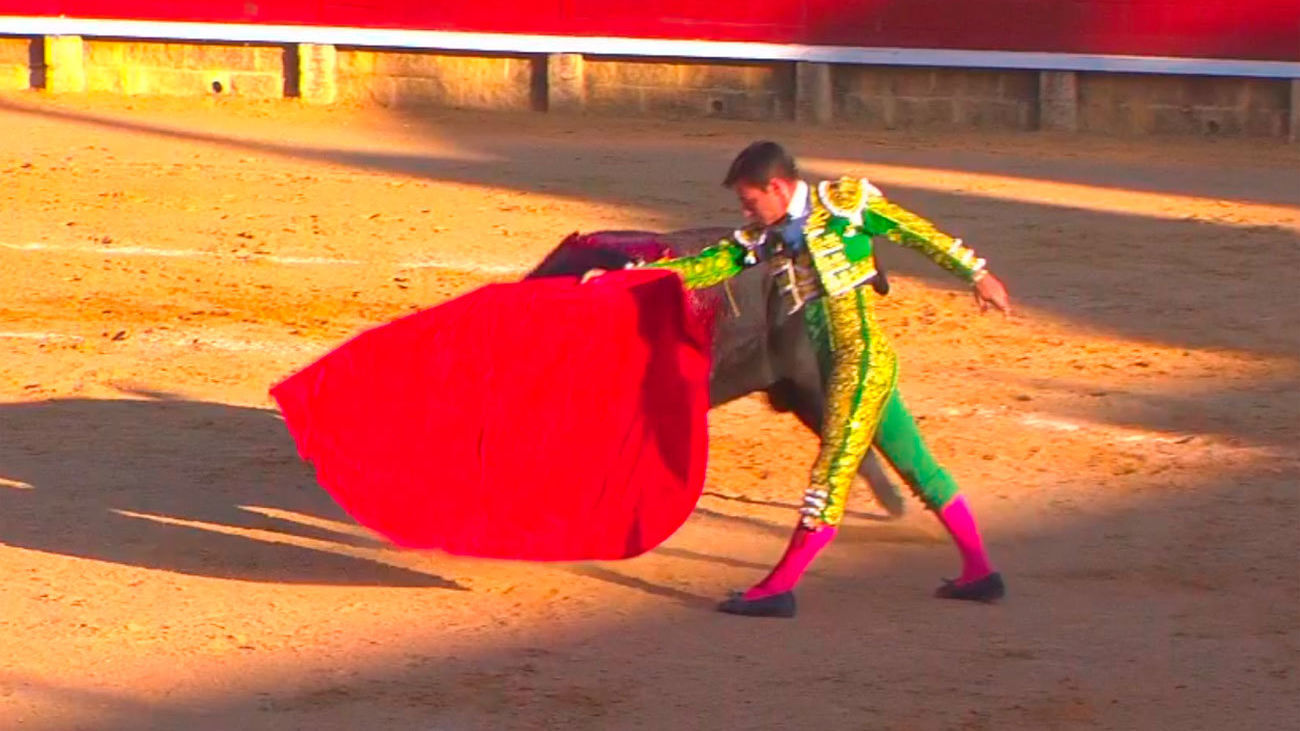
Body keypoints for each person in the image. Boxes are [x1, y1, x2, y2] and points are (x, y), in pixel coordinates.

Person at [585, 141, 1012, 617]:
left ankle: (778, 588)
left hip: (859, 362)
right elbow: (708, 265)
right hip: (843, 362)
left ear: (778, 188)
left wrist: (978, 274)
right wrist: (633, 277)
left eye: (750, 201)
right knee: (918, 467)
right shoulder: (766, 234)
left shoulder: (845, 205)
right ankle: (980, 572)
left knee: (829, 478)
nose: (746, 211)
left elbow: (914, 232)